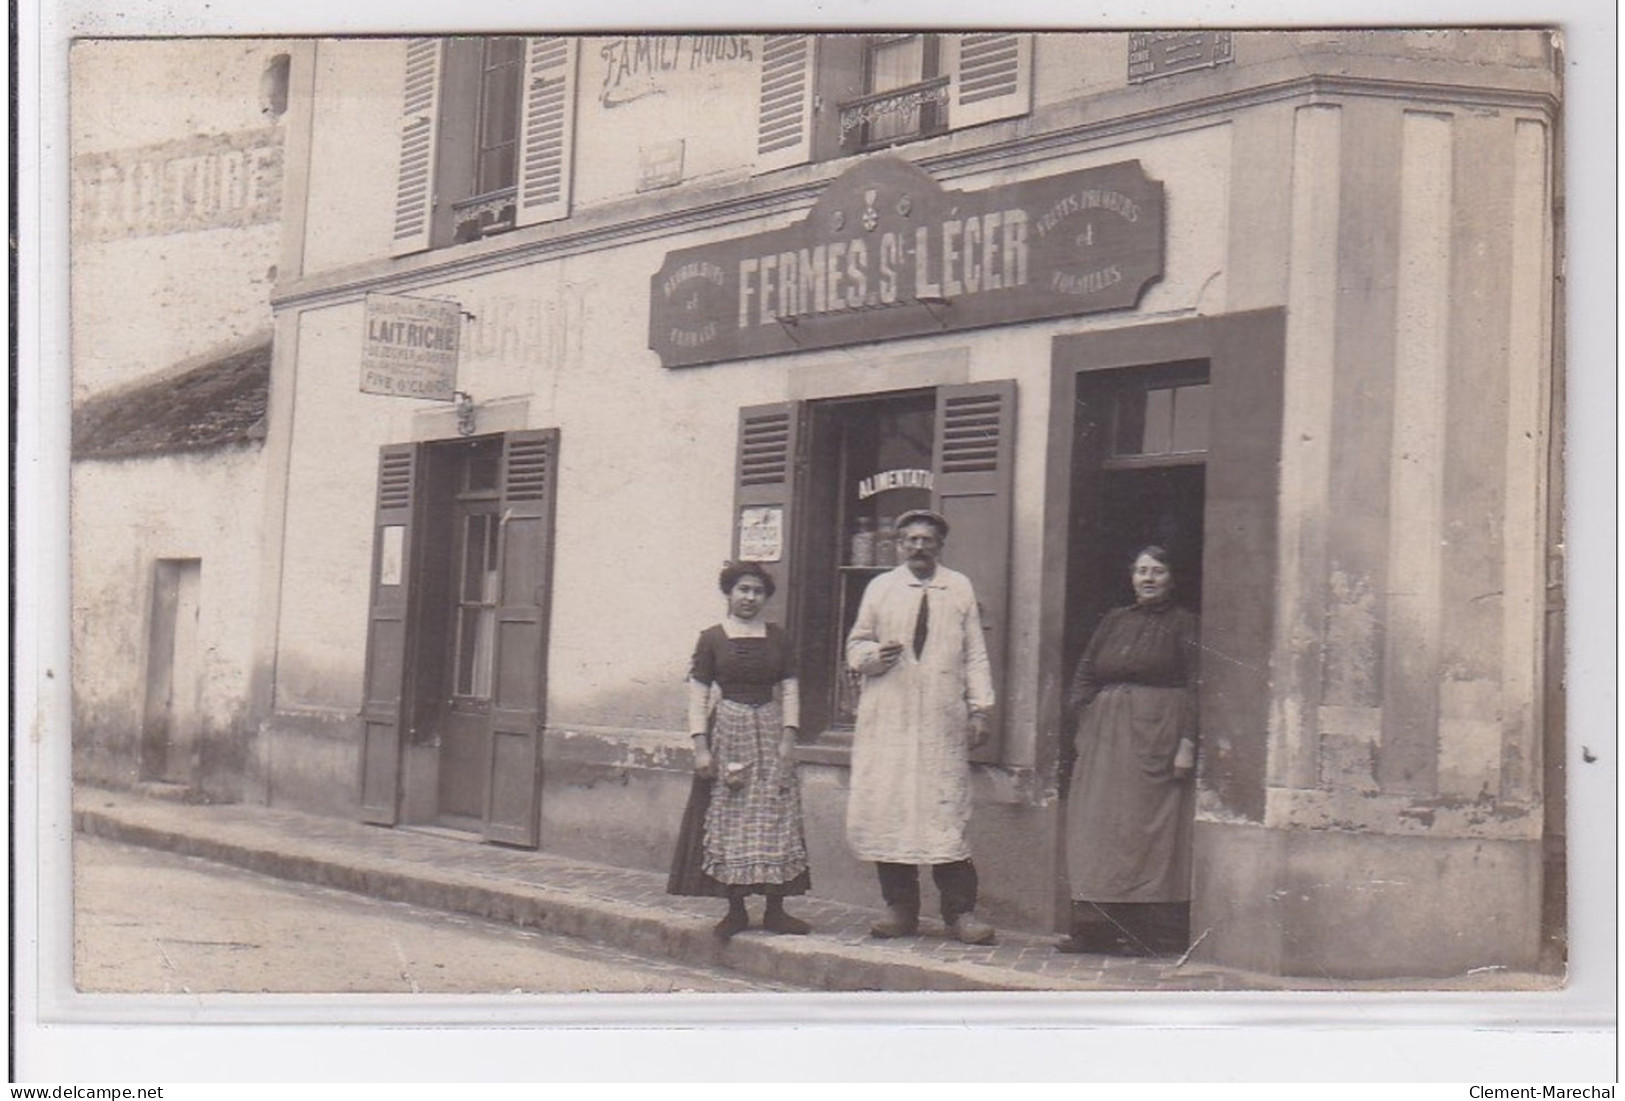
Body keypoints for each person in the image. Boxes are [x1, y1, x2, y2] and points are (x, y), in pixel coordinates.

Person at [844, 509, 997, 945]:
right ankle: (900, 909)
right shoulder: (881, 588)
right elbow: (855, 643)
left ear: (939, 545)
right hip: (890, 717)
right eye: (909, 540)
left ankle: (960, 914)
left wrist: (980, 708)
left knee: (945, 814)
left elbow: (975, 654)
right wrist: (873, 656)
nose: (918, 547)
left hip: (940, 722)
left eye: (927, 540)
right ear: (898, 545)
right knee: (892, 812)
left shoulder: (959, 587)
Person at [1058, 545, 1199, 957]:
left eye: (1157, 570)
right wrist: (1083, 715)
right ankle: (1093, 929)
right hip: (1105, 736)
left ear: (1171, 577)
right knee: (1099, 828)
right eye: (1141, 571)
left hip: (1157, 735)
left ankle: (1146, 933)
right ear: (1132, 577)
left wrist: (1186, 742)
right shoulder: (1115, 620)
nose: (1148, 578)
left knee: (1146, 834)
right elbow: (1085, 670)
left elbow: (1197, 685)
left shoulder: (1185, 623)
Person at [666, 561, 811, 940]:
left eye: (757, 591)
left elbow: (791, 688)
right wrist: (700, 746)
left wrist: (789, 737)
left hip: (769, 727)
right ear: (729, 593)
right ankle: (735, 909)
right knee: (731, 815)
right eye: (743, 590)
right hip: (728, 730)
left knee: (776, 813)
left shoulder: (778, 637)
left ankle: (777, 909)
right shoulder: (712, 638)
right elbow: (698, 696)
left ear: (765, 597)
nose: (750, 597)